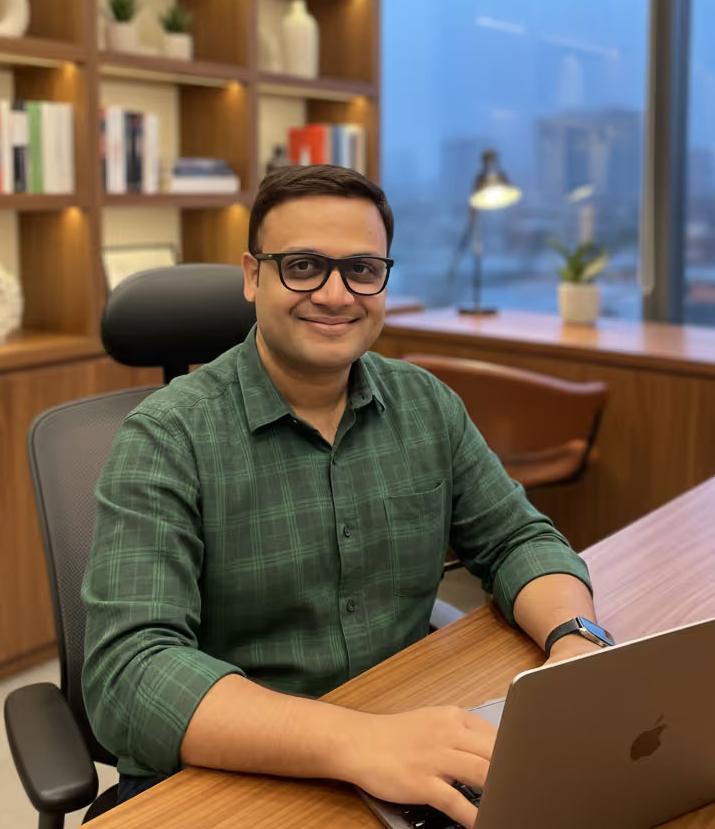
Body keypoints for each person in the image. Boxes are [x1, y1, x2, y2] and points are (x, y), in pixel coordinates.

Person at [82, 165, 603, 829]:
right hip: (234, 777)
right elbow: (129, 675)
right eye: (303, 266)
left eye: (361, 269)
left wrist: (575, 642)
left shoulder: (426, 405)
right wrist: (357, 741)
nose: (335, 295)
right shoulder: (166, 437)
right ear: (253, 276)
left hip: (398, 740)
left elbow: (518, 539)